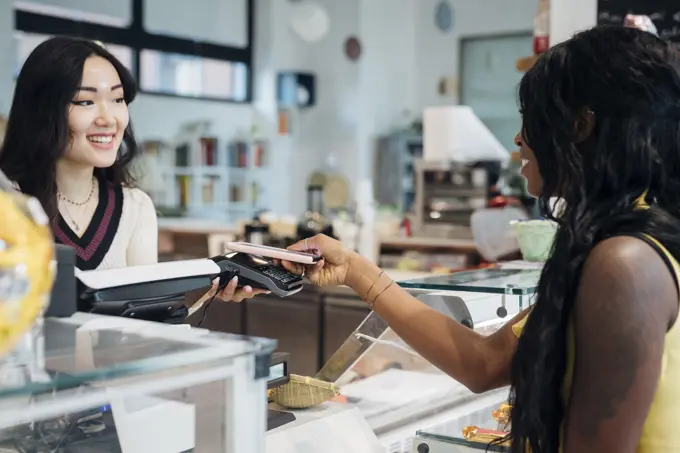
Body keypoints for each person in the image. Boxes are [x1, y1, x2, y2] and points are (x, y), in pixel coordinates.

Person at [282, 26, 680, 453]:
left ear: (581, 125)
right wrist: (353, 268)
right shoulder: (620, 243)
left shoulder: (622, 263)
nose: (518, 137)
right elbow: (483, 362)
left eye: (532, 114)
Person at [0, 36, 263, 303]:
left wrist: (207, 293)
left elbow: (147, 317)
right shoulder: (9, 205)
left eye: (117, 99)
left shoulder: (135, 208)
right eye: (85, 101)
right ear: (42, 110)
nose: (109, 119)